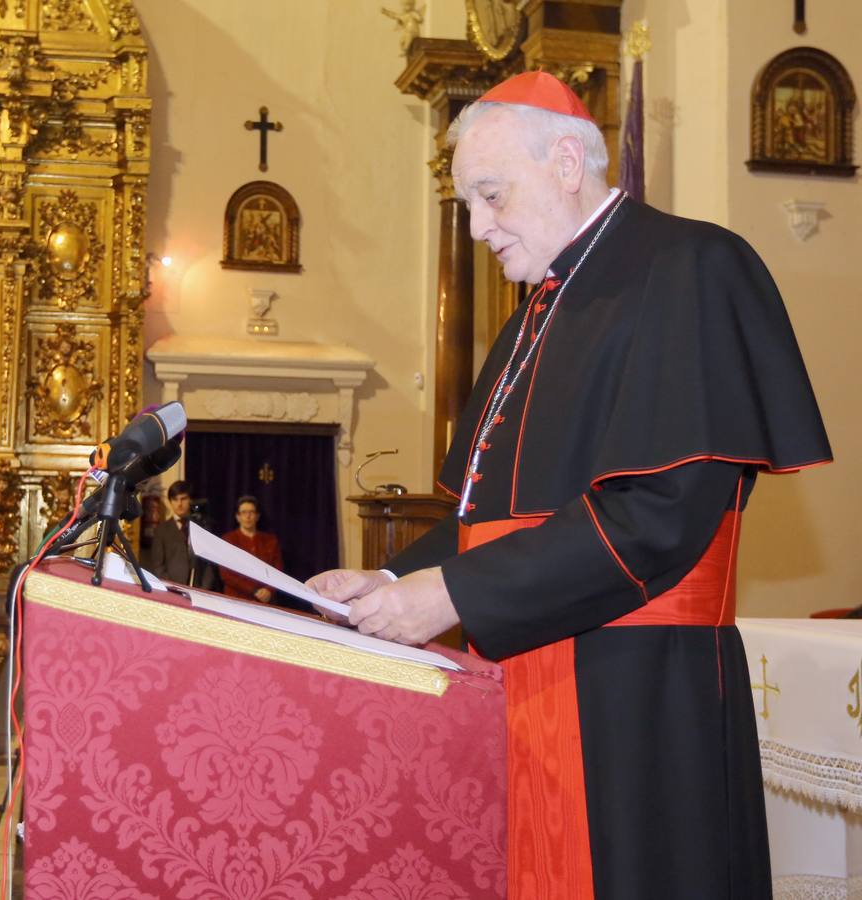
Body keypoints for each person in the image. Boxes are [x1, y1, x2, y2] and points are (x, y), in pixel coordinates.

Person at [306, 71, 831, 898]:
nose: (478, 227)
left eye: (490, 195)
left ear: (563, 160)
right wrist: (394, 579)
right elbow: (495, 517)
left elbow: (659, 516)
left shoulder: (692, 266)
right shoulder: (534, 314)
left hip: (638, 696)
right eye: (468, 205)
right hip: (530, 677)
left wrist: (454, 596)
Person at [219, 495, 283, 603]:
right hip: (236, 599)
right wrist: (253, 590)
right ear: (237, 517)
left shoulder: (270, 540)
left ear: (257, 516)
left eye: (251, 512)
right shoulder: (228, 539)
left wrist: (269, 590)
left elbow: (278, 570)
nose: (248, 516)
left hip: (265, 600)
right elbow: (226, 574)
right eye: (244, 512)